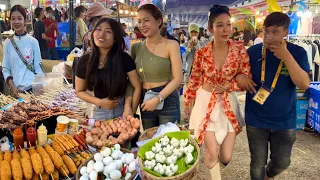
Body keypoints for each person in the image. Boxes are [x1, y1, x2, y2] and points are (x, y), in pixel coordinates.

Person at [236, 12, 310, 180]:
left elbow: (304, 84)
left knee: (282, 162)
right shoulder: (253, 52)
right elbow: (236, 72)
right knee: (257, 163)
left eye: (275, 31)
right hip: (256, 119)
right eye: (266, 31)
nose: (269, 36)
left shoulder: (297, 52)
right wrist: (239, 76)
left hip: (284, 120)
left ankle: (269, 175)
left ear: (285, 32)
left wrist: (286, 57)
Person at [184, 5, 251, 180]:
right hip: (206, 103)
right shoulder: (202, 52)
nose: (225, 29)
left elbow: (246, 78)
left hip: (229, 104)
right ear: (210, 29)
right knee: (211, 153)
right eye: (219, 25)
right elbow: (194, 79)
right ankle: (212, 169)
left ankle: (214, 163)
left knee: (226, 157)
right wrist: (188, 101)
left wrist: (232, 86)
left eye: (228, 24)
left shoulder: (239, 50)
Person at [75, 18, 141, 120]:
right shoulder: (84, 60)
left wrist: (131, 110)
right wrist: (99, 102)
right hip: (98, 112)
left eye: (108, 31)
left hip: (121, 110)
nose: (101, 34)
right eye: (99, 29)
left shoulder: (124, 58)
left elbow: (136, 86)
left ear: (115, 38)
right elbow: (79, 91)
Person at [129, 4, 182, 130]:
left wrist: (158, 98)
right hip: (145, 99)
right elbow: (132, 81)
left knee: (169, 142)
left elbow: (177, 78)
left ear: (158, 21)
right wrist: (130, 108)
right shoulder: (136, 48)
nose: (142, 25)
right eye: (139, 21)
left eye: (146, 20)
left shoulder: (171, 45)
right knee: (149, 140)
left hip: (167, 98)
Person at [2, 5, 43, 98]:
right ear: (10, 21)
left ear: (25, 20)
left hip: (32, 91)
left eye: (19, 18)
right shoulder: (8, 43)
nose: (16, 22)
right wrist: (12, 87)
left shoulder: (33, 42)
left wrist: (38, 90)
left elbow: (39, 69)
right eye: (13, 19)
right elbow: (5, 69)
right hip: (15, 92)